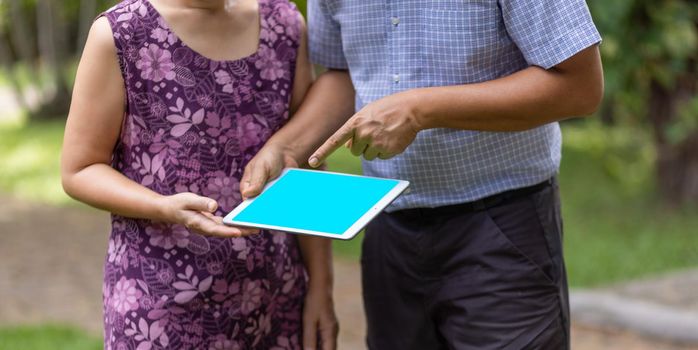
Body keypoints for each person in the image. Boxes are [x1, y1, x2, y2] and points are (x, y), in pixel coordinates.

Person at [241, 0, 604, 349]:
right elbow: (343, 74)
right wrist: (287, 148)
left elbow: (580, 88)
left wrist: (421, 109)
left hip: (501, 226)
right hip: (388, 228)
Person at [60, 0, 338, 349]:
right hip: (159, 306)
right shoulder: (121, 33)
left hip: (275, 297)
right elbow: (80, 168)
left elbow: (305, 162)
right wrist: (163, 206)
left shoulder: (284, 25)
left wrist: (320, 287)